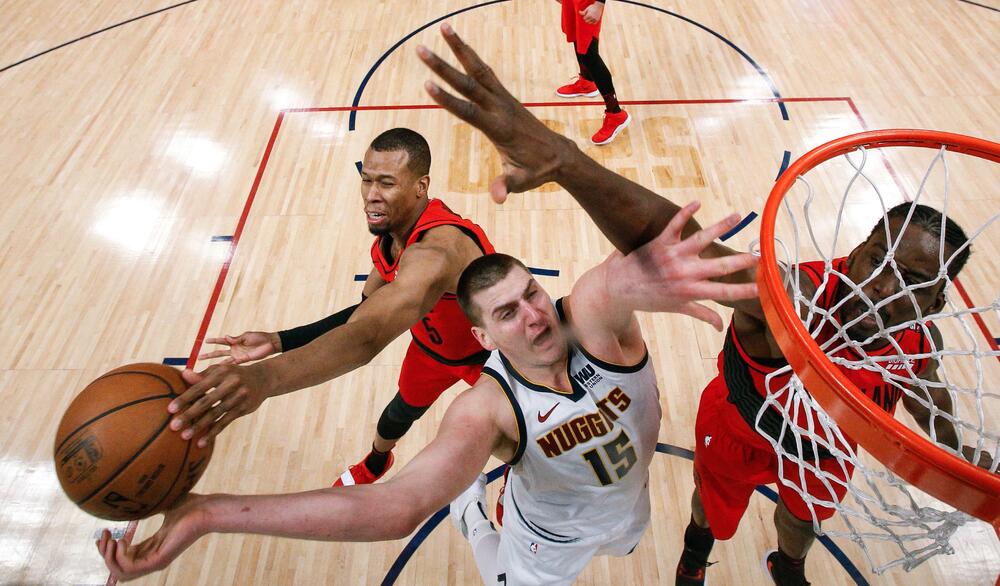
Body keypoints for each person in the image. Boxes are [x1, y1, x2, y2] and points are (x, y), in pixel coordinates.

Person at [411, 26, 994, 586]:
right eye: (875, 260)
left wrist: (965, 453)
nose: (881, 287)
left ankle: (787, 568)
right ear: (857, 250)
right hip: (743, 424)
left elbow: (927, 387)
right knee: (711, 513)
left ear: (938, 298)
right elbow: (680, 242)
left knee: (803, 519)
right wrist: (569, 163)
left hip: (825, 448)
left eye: (911, 280)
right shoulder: (794, 297)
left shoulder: (919, 340)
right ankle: (695, 554)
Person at [97, 198, 759, 584]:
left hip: (624, 511)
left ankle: (481, 495)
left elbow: (631, 272)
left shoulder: (593, 318)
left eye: (530, 292)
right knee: (469, 515)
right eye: (506, 313)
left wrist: (681, 265)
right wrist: (209, 512)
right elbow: (394, 508)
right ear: (485, 337)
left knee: (623, 541)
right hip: (540, 546)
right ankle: (474, 509)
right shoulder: (486, 408)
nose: (532, 314)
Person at [170, 128, 495, 487]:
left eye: (387, 183)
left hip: (494, 355)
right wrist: (280, 340)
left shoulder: (438, 251)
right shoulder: (391, 239)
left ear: (421, 186)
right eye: (367, 180)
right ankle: (376, 461)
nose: (371, 196)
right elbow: (363, 315)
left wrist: (264, 378)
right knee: (395, 417)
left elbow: (366, 337)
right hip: (432, 351)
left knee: (506, 434)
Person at [551, 0, 629, 145]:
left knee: (589, 52)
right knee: (574, 36)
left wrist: (599, 3)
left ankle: (616, 114)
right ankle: (586, 82)